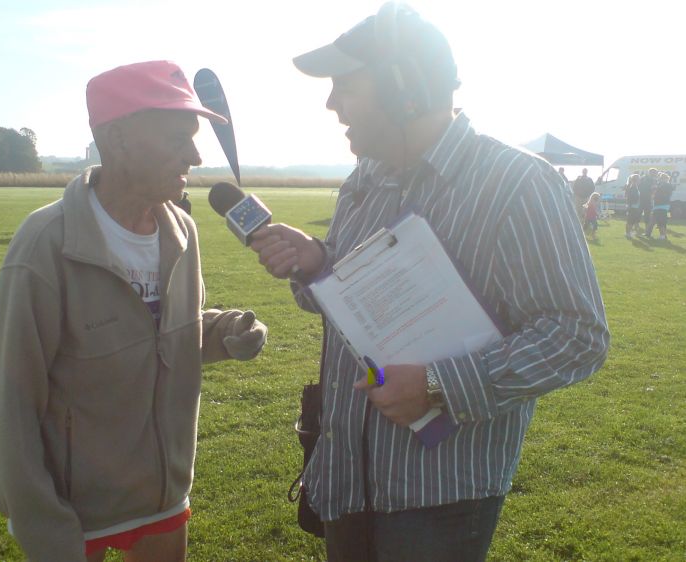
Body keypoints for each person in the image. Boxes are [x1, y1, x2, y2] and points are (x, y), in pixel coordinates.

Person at [249, 5, 609, 561]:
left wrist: (440, 386)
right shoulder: (363, 181)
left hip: (438, 495)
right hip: (347, 474)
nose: (330, 102)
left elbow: (577, 335)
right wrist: (319, 262)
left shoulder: (517, 184)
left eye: (345, 84)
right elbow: (362, 303)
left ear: (402, 87)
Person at [0, 60, 268, 562]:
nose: (196, 155)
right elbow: (10, 399)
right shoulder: (45, 243)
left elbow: (169, 334)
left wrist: (222, 333)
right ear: (117, 140)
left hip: (162, 494)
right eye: (179, 137)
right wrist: (42, 524)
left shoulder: (182, 230)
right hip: (73, 507)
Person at [645, 172, 675, 240]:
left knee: (661, 221)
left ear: (665, 178)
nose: (660, 179)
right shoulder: (660, 185)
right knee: (653, 220)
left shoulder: (667, 185)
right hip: (657, 205)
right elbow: (654, 193)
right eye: (660, 178)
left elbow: (664, 193)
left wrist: (657, 189)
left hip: (663, 205)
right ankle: (648, 234)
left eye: (661, 178)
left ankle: (662, 236)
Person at [624, 173, 642, 239]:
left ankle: (637, 233)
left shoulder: (635, 187)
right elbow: (630, 198)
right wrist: (630, 205)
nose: (640, 181)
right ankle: (627, 233)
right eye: (639, 179)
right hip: (632, 207)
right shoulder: (632, 187)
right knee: (630, 221)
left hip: (636, 207)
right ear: (636, 180)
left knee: (635, 221)